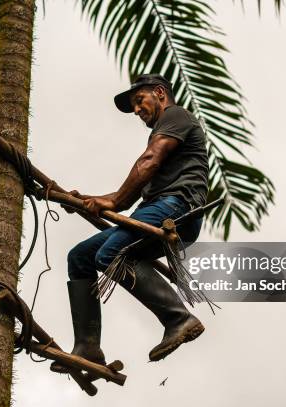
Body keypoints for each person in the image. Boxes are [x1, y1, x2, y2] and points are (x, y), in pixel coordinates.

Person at [51, 74, 209, 373]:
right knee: (80, 256)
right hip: (158, 208)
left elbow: (149, 161)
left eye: (140, 101)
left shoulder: (176, 115)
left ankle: (178, 318)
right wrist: (85, 200)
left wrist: (112, 202)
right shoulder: (168, 126)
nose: (137, 110)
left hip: (176, 208)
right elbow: (121, 200)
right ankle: (88, 347)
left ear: (160, 93)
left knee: (109, 254)